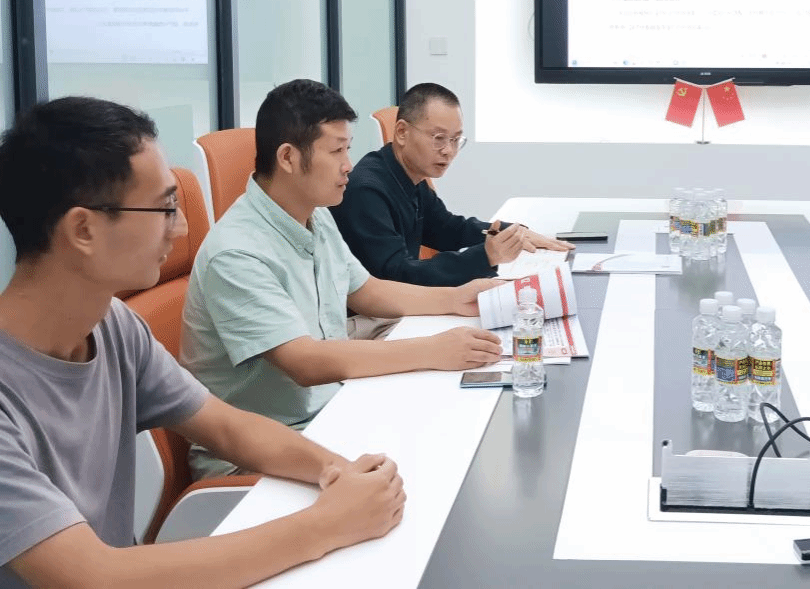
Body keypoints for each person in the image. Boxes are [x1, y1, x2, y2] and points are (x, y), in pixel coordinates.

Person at [0, 96, 405, 589]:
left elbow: (228, 428)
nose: (183, 228)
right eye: (165, 208)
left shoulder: (114, 326)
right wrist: (328, 524)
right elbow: (94, 576)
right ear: (83, 229)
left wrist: (340, 474)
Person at [181, 80, 502, 479]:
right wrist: (433, 350)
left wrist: (456, 298)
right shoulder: (237, 252)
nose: (349, 164)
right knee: (434, 460)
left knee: (449, 425)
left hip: (328, 416)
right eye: (337, 151)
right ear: (288, 158)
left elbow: (367, 290)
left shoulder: (315, 215)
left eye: (348, 149)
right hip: (259, 458)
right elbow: (304, 363)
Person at [331, 82, 572, 287]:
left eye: (456, 140)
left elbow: (447, 229)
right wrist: (486, 256)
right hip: (372, 316)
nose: (448, 151)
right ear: (402, 132)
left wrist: (509, 233)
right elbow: (396, 275)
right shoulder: (367, 191)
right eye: (439, 138)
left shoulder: (410, 175)